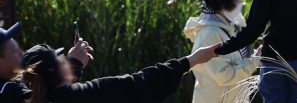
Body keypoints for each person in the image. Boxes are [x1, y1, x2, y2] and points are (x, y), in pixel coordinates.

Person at [19, 40, 220, 103]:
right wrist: (192, 59)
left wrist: (74, 65)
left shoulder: (23, 95)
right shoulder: (87, 95)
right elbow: (140, 83)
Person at [184, 0, 261, 103]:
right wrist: (255, 61)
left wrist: (256, 55)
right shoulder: (210, 34)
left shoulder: (234, 24)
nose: (241, 0)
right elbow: (224, 75)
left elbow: (237, 60)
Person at [0, 23, 92, 103]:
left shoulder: (12, 86)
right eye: (14, 51)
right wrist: (75, 64)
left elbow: (47, 94)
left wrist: (74, 66)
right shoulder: (8, 92)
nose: (21, 53)